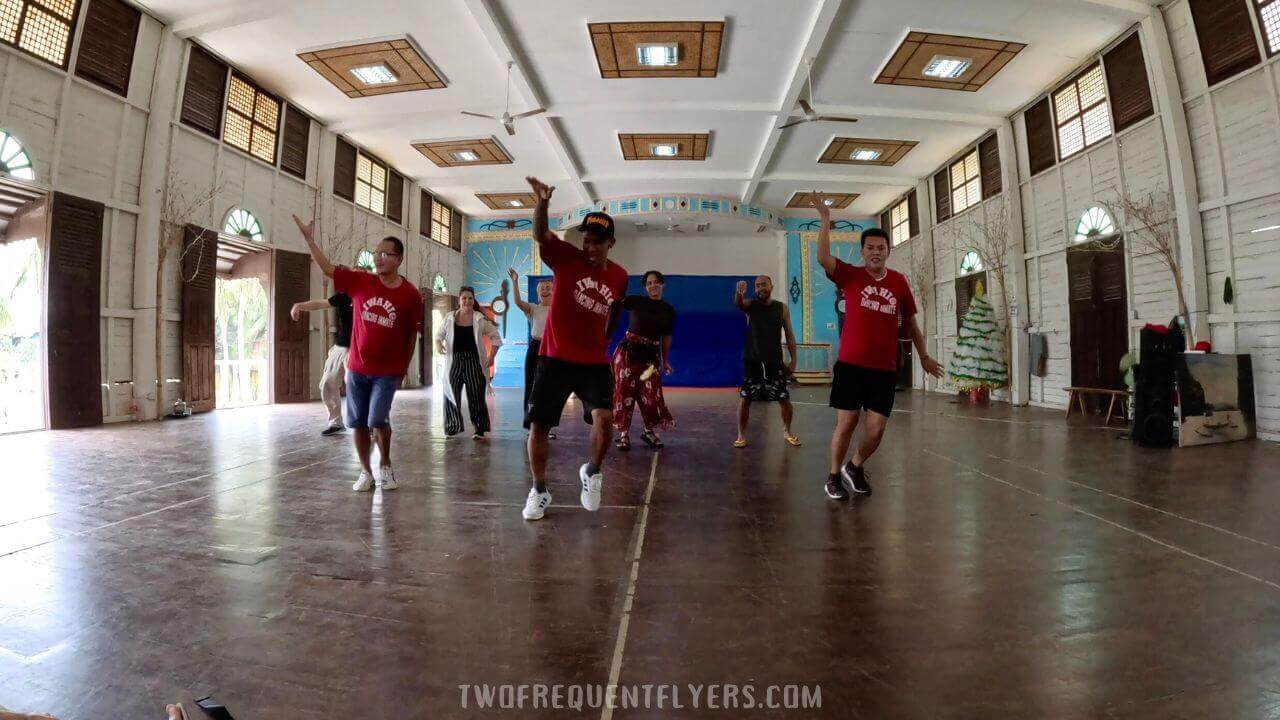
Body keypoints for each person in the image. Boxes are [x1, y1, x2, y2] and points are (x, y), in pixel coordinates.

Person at [813, 195, 942, 500]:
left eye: (880, 248)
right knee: (847, 423)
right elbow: (822, 257)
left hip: (883, 369)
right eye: (870, 248)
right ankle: (833, 476)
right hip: (851, 365)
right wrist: (825, 220)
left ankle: (854, 467)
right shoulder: (851, 275)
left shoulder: (898, 282)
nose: (875, 252)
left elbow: (910, 322)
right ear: (862, 252)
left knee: (876, 430)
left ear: (887, 252)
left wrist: (923, 356)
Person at [520, 176, 628, 521]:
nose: (590, 247)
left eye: (598, 242)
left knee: (605, 419)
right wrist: (542, 205)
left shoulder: (620, 276)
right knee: (538, 426)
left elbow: (615, 308)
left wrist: (605, 340)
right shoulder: (566, 258)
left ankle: (592, 472)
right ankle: (539, 491)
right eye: (587, 240)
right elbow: (541, 234)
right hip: (553, 359)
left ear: (611, 243)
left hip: (592, 362)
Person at [293, 215, 422, 492]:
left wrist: (404, 369)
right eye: (376, 253)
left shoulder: (411, 295)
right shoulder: (361, 281)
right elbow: (328, 269)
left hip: (388, 372)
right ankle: (366, 472)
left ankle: (385, 464)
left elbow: (411, 334)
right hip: (357, 368)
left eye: (385, 254)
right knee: (358, 423)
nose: (378, 258)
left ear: (398, 259)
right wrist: (309, 239)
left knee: (377, 419)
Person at [734, 275, 801, 448]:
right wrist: (739, 294)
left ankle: (787, 431)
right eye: (757, 286)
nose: (760, 288)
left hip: (774, 361)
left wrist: (793, 360)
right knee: (745, 399)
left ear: (771, 286)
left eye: (763, 284)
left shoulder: (781, 308)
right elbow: (739, 304)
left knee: (784, 399)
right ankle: (741, 436)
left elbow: (790, 334)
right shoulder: (751, 306)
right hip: (752, 360)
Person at [611, 270, 676, 450]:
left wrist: (665, 361)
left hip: (650, 359)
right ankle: (624, 434)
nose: (652, 285)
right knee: (624, 394)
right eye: (649, 283)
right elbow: (616, 300)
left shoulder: (668, 311)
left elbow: (666, 339)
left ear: (662, 284)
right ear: (645, 287)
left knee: (651, 398)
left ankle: (648, 431)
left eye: (656, 282)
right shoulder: (636, 301)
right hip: (627, 355)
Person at [435, 286, 502, 438]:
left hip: (474, 361)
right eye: (464, 298)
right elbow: (439, 335)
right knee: (450, 393)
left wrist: (492, 356)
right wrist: (439, 345)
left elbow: (496, 337)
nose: (467, 301)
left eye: (470, 298)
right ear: (459, 301)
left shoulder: (480, 318)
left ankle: (479, 429)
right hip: (454, 361)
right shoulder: (450, 317)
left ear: (473, 300)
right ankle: (452, 427)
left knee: (476, 396)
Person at [291, 292, 353, 436]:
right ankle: (336, 423)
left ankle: (367, 424)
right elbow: (320, 303)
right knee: (327, 384)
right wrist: (299, 305)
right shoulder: (343, 297)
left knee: (358, 385)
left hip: (359, 348)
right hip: (341, 347)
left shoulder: (371, 296)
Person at [508, 267, 556, 438]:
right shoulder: (533, 309)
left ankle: (547, 428)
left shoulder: (558, 309)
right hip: (535, 348)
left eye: (548, 287)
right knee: (531, 386)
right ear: (537, 292)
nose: (545, 290)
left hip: (551, 349)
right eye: (542, 288)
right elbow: (517, 302)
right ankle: (531, 426)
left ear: (553, 290)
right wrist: (514, 282)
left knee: (550, 389)